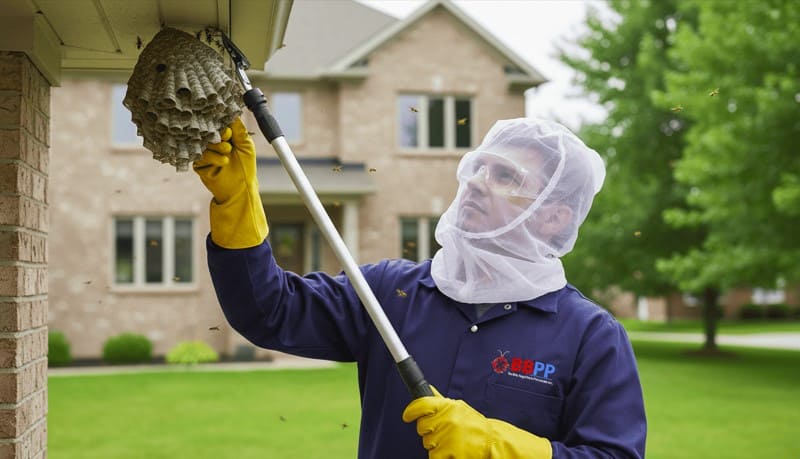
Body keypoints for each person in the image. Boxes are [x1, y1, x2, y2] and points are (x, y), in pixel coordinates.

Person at [193, 117, 647, 458]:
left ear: (554, 216)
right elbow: (269, 311)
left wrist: (499, 447)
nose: (475, 183)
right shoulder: (390, 292)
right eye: (478, 168)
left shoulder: (592, 336)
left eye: (505, 176)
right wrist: (235, 204)